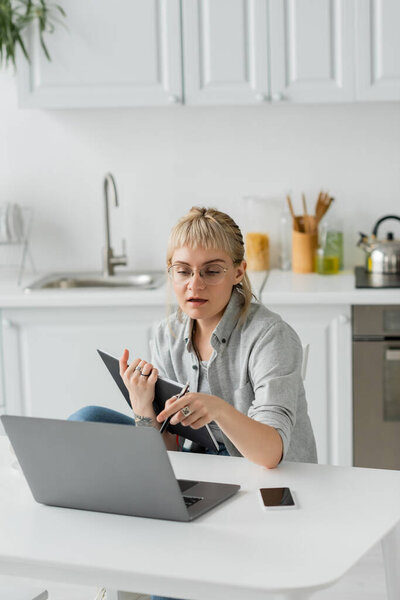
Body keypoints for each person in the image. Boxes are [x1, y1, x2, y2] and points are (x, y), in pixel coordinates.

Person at [70, 206, 317, 600]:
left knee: (172, 575)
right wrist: (143, 409)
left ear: (238, 272)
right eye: (183, 271)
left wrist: (218, 409)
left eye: (211, 270)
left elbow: (271, 453)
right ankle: (118, 547)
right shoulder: (167, 335)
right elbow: (168, 451)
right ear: (171, 273)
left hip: (267, 479)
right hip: (203, 470)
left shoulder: (270, 336)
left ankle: (156, 560)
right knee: (85, 420)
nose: (194, 284)